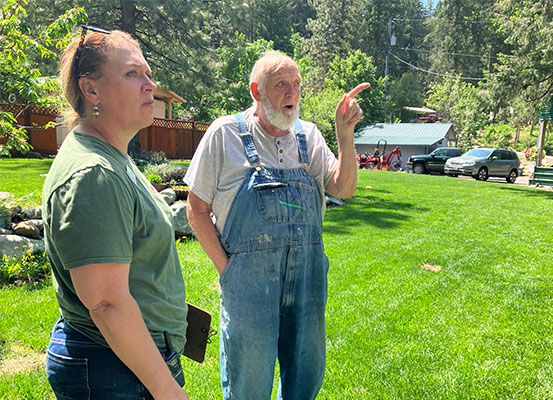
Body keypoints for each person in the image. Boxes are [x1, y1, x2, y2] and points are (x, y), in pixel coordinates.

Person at [184, 50, 369, 399]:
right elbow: (196, 208)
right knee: (249, 383)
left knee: (305, 377)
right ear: (256, 90)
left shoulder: (309, 136)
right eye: (281, 85)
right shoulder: (225, 134)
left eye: (297, 85)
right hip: (248, 285)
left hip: (307, 282)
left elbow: (343, 188)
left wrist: (345, 133)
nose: (292, 94)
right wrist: (228, 269)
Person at [43, 26, 189, 400]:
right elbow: (107, 303)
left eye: (147, 73)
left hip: (124, 363)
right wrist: (167, 391)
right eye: (131, 74)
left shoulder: (113, 156)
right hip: (113, 370)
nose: (149, 85)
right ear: (91, 90)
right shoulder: (94, 174)